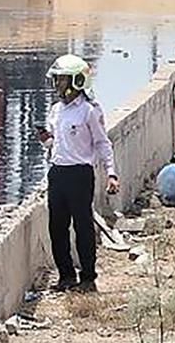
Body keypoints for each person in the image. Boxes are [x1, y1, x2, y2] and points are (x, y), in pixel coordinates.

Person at [41, 54, 119, 295]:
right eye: (56, 80)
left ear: (77, 81)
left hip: (80, 175)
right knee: (57, 227)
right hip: (57, 174)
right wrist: (47, 141)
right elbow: (55, 142)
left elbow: (102, 144)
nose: (58, 85)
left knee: (83, 227)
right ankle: (66, 276)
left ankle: (87, 277)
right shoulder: (56, 110)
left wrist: (111, 173)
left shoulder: (89, 111)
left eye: (63, 80)